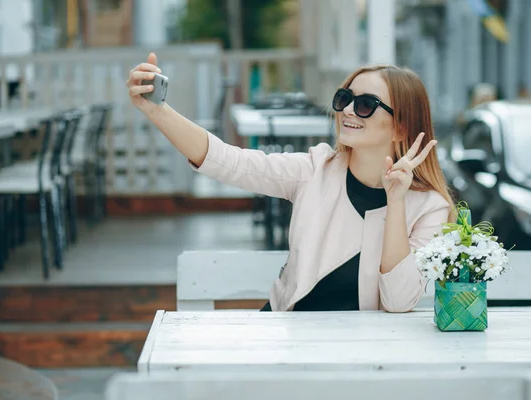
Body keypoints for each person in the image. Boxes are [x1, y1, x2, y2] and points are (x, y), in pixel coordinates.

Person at [126, 53, 455, 313]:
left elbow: (398, 301)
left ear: (401, 128)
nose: (349, 111)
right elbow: (228, 161)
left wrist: (396, 202)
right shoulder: (314, 170)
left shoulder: (429, 208)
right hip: (286, 338)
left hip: (363, 355)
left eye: (366, 105)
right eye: (344, 98)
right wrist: (158, 111)